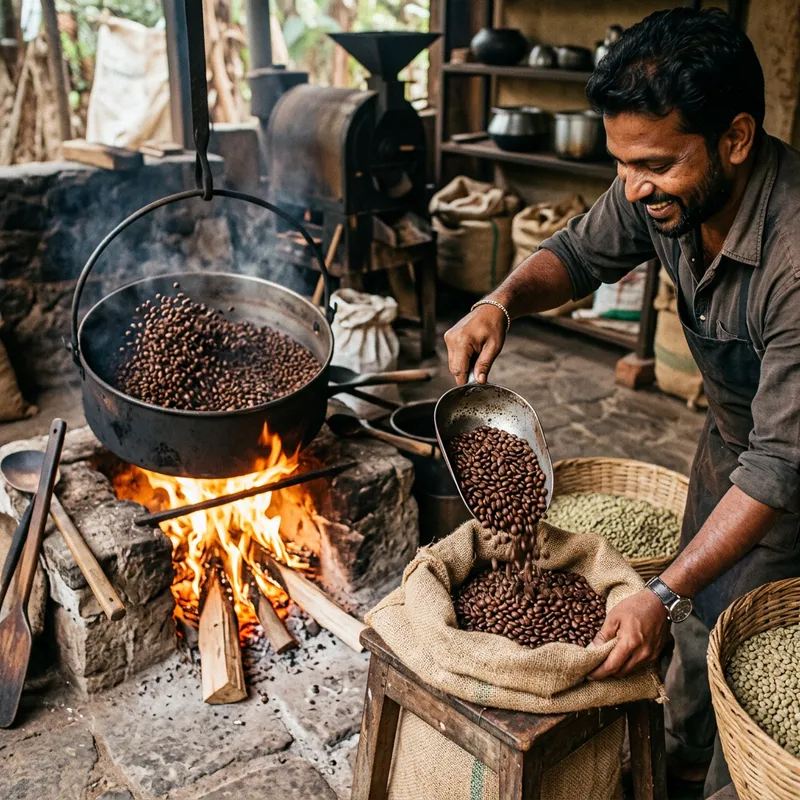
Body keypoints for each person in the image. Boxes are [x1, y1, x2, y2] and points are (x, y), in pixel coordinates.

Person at [443, 7, 800, 797]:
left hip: (788, 477)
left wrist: (659, 592)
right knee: (696, 613)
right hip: (731, 442)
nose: (634, 188)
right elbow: (577, 254)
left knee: (753, 674)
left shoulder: (794, 257)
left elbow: (780, 466)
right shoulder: (661, 189)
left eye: (656, 166)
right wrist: (501, 302)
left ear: (736, 139)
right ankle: (675, 758)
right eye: (622, 164)